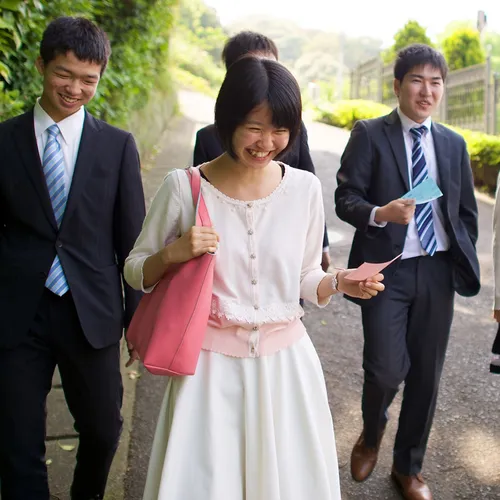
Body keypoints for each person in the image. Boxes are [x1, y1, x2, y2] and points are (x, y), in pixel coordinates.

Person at [124, 56, 385, 500]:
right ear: (227, 120)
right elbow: (135, 270)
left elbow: (306, 276)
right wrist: (173, 252)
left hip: (287, 368)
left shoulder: (302, 189)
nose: (266, 142)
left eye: (280, 129)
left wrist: (339, 281)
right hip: (207, 373)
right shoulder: (184, 187)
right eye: (253, 127)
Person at [0, 17, 145, 500]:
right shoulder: (4, 141)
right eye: (65, 74)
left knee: (103, 429)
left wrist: (137, 320)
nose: (75, 89)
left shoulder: (117, 145)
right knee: (17, 441)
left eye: (89, 80)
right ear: (41, 65)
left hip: (93, 311)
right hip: (18, 312)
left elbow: (132, 242)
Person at [335, 44, 480, 500]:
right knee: (384, 370)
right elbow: (345, 197)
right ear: (397, 85)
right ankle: (371, 435)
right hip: (386, 271)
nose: (427, 90)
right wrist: (380, 213)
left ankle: (408, 467)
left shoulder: (454, 145)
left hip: (436, 272)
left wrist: (459, 253)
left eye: (436, 82)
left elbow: (466, 214)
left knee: (426, 375)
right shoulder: (370, 134)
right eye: (417, 80)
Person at [193, 30, 331, 272]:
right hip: (230, 261)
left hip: (286, 256)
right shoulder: (207, 138)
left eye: (271, 67)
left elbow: (309, 187)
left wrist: (322, 246)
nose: (266, 144)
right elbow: (199, 207)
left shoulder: (292, 131)